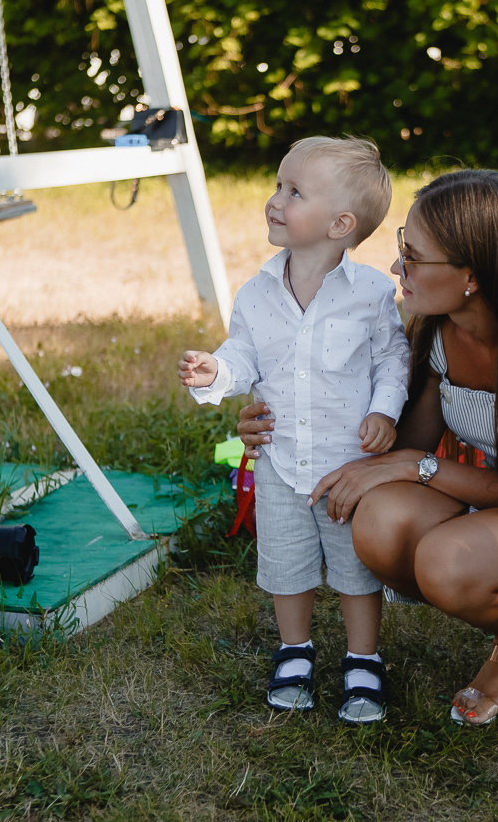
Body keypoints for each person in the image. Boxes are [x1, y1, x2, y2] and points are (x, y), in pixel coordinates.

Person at [241, 168, 498, 738]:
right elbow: (397, 445)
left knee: (446, 562)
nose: (397, 269)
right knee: (380, 519)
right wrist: (273, 417)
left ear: (472, 274)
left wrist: (419, 468)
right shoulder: (439, 330)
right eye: (400, 250)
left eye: (413, 256)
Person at [179, 136, 409, 724]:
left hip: (346, 463)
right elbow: (244, 355)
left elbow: (392, 359)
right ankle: (295, 650)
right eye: (278, 185)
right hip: (281, 461)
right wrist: (217, 371)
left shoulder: (372, 295)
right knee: (286, 563)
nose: (275, 200)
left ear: (340, 224)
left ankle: (363, 660)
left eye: (294, 191)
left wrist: (385, 410)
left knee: (354, 569)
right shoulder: (256, 293)